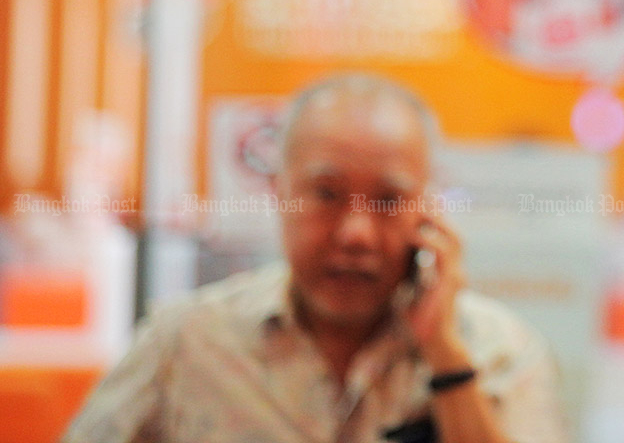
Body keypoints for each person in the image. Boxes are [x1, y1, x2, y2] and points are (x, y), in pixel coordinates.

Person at [64, 73, 566, 443]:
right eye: (326, 194)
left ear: (430, 209)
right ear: (280, 192)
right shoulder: (186, 344)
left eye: (389, 201)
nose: (355, 234)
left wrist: (447, 361)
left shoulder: (502, 354)